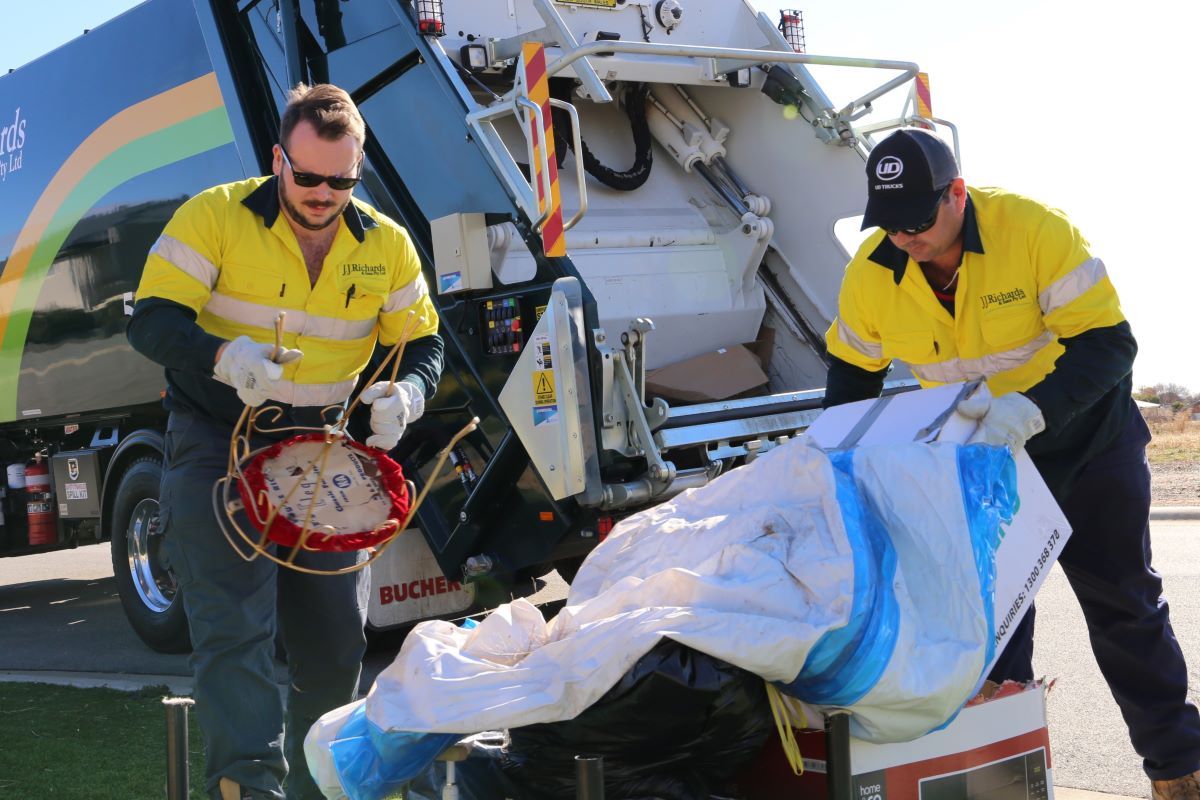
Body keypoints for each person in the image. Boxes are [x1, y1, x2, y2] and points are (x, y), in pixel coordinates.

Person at [822, 127, 1200, 798]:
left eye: (915, 219)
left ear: (956, 193)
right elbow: (852, 379)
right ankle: (1001, 785)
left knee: (1125, 610)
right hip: (987, 468)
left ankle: (1179, 771)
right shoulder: (873, 273)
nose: (903, 238)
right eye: (889, 223)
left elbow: (1111, 345)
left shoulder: (1033, 232)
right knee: (987, 634)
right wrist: (835, 465)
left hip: (1088, 449)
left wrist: (1031, 408)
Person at [127, 83, 443, 800]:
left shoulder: (385, 245)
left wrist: (411, 392)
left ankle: (318, 789)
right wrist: (224, 357)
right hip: (217, 442)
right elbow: (150, 322)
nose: (323, 194)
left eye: (342, 180)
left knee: (335, 644)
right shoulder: (215, 216)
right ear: (278, 159)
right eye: (306, 177)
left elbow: (423, 343)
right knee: (235, 637)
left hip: (322, 452)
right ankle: (248, 787)